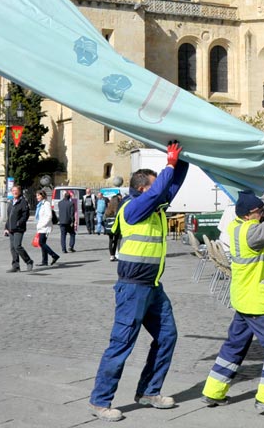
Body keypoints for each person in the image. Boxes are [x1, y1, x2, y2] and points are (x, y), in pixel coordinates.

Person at [89, 141, 188, 422]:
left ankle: (149, 391)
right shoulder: (133, 208)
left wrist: (184, 159)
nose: (159, 191)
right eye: (154, 187)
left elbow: (172, 186)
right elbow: (161, 189)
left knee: (167, 336)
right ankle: (100, 400)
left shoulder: (154, 207)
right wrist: (168, 163)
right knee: (122, 343)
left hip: (153, 287)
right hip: (133, 287)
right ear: (143, 187)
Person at [202, 173, 264, 418]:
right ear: (250, 215)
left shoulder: (236, 225)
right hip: (258, 302)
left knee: (234, 345)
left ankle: (213, 391)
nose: (263, 213)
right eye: (259, 212)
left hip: (243, 298)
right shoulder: (254, 234)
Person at [3, 185, 33, 272]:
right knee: (12, 248)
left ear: (19, 192)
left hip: (19, 228)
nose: (14, 192)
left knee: (17, 246)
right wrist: (6, 227)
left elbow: (25, 215)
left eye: (16, 190)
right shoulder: (11, 202)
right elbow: (9, 217)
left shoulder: (23, 202)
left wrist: (19, 223)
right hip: (11, 229)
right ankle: (16, 266)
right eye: (13, 191)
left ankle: (29, 261)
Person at [35, 190, 59, 267]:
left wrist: (42, 225)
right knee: (43, 243)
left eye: (38, 195)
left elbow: (49, 216)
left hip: (45, 227)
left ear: (43, 195)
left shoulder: (46, 204)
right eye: (37, 196)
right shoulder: (40, 204)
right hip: (41, 227)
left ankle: (54, 255)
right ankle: (44, 261)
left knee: (41, 243)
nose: (37, 197)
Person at [104, 193, 120, 261]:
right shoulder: (118, 208)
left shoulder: (108, 208)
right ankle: (114, 253)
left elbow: (105, 217)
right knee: (116, 240)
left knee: (110, 241)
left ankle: (111, 255)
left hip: (109, 227)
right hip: (115, 226)